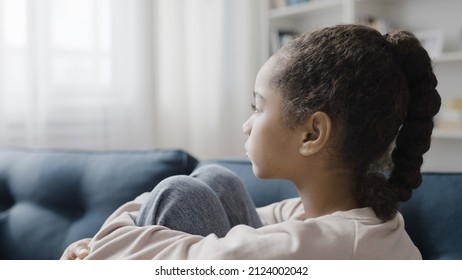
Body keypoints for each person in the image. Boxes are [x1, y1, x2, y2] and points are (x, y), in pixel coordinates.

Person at [61, 24, 441, 260]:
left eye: (257, 108)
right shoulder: (336, 216)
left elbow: (137, 257)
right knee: (216, 179)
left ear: (311, 134)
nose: (247, 126)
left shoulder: (321, 247)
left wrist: (99, 245)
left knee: (180, 192)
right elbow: (264, 221)